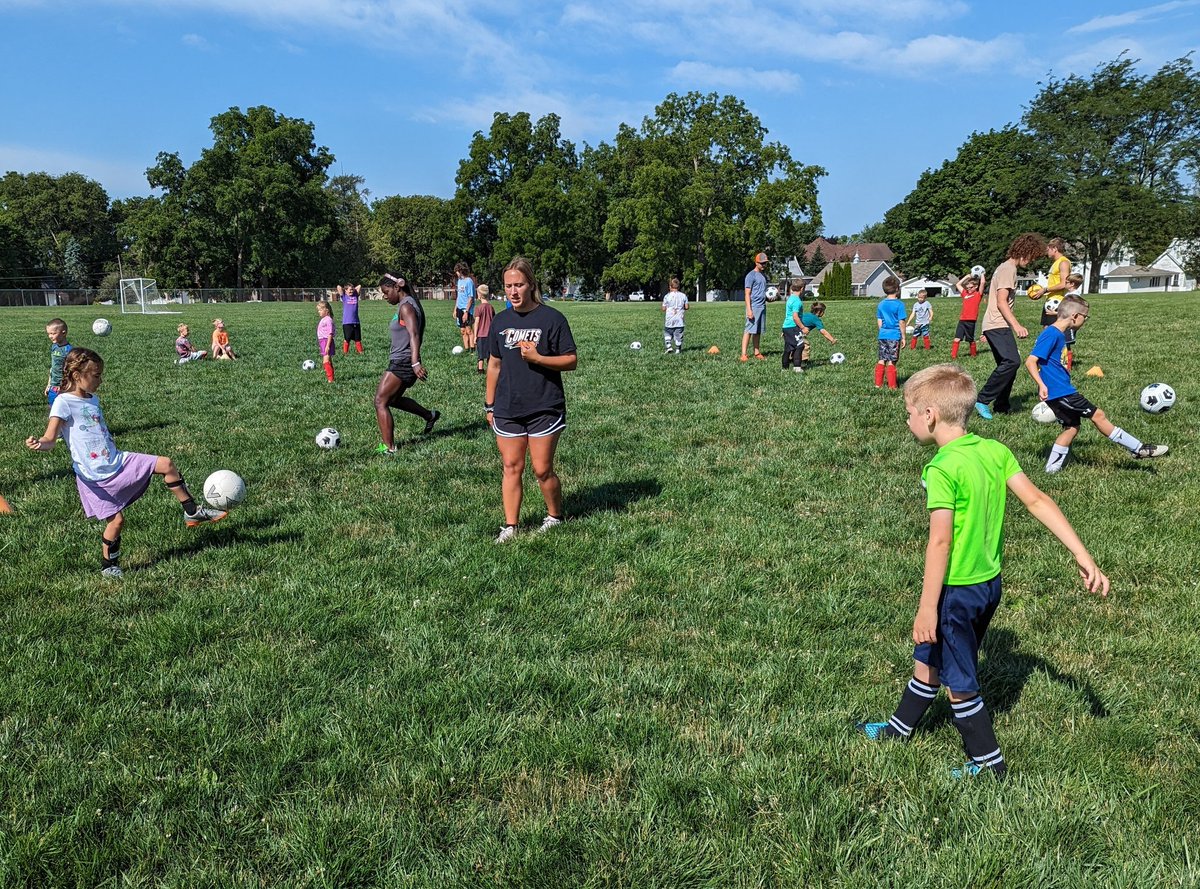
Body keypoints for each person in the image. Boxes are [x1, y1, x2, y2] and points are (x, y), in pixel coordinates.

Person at [858, 363, 1109, 779]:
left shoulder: (941, 468)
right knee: (928, 663)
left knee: (959, 683)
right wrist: (1081, 553)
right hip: (987, 585)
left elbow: (940, 542)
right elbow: (1037, 501)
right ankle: (898, 730)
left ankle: (988, 765)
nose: (907, 420)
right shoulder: (994, 451)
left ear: (929, 415)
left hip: (955, 592)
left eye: (908, 412)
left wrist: (926, 608)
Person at [24, 348, 226, 578]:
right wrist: (40, 444)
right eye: (96, 375)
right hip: (94, 476)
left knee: (166, 464)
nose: (100, 380)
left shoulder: (93, 399)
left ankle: (192, 512)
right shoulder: (63, 402)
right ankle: (109, 566)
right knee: (117, 521)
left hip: (118, 460)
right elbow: (51, 438)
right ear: (78, 375)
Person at [486, 257, 578, 543]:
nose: (513, 291)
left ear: (531, 285)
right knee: (512, 466)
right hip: (507, 407)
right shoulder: (500, 321)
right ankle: (510, 526)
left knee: (542, 469)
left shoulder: (552, 319)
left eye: (519, 285)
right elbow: (494, 365)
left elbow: (571, 360)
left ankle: (554, 516)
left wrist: (539, 358)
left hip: (544, 405)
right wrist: (489, 404)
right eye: (508, 286)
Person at [1025, 295, 1167, 472]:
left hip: (1060, 391)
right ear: (1075, 316)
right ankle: (1139, 449)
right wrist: (1042, 384)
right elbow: (1031, 361)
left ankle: (1050, 470)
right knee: (1098, 415)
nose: (1085, 320)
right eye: (1085, 316)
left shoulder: (1057, 334)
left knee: (1071, 428)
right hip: (1061, 392)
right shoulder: (1052, 334)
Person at [975, 233, 1046, 419]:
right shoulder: (1008, 270)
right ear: (1025, 252)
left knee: (1007, 365)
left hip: (994, 324)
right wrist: (1016, 325)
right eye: (1032, 257)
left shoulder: (1003, 267)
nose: (1030, 262)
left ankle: (1002, 406)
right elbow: (1001, 302)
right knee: (1012, 362)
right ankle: (982, 399)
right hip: (998, 323)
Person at [374, 274, 439, 454]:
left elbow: (414, 335)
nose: (385, 296)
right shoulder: (406, 304)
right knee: (393, 399)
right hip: (402, 360)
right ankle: (429, 415)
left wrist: (415, 362)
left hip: (404, 362)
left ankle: (389, 448)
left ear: (397, 287)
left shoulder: (407, 307)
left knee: (380, 401)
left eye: (386, 292)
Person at [875, 276, 906, 389]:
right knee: (892, 361)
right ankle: (892, 386)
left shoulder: (881, 304)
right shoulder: (899, 305)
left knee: (882, 359)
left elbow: (879, 319)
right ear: (897, 288)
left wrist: (882, 331)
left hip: (882, 334)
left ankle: (878, 384)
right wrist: (903, 336)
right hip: (894, 335)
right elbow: (901, 322)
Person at [740, 252, 770, 362]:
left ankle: (757, 352)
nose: (763, 265)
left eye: (765, 263)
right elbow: (747, 293)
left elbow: (761, 292)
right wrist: (749, 310)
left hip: (762, 306)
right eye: (761, 263)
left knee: (757, 331)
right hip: (754, 306)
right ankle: (744, 354)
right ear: (756, 262)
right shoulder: (751, 275)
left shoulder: (763, 276)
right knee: (749, 330)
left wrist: (768, 299)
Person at [951, 271, 985, 359]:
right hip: (962, 321)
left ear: (976, 287)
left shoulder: (978, 294)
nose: (968, 289)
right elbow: (958, 284)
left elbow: (983, 282)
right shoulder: (965, 293)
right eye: (967, 287)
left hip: (971, 321)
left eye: (971, 287)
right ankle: (953, 356)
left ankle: (973, 355)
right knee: (957, 339)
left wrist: (982, 274)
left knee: (970, 340)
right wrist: (966, 277)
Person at [1041, 238, 1073, 330]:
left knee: (1054, 331)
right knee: (1046, 330)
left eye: (1048, 249)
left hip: (1057, 301)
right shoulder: (1056, 263)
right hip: (1050, 300)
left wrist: (1045, 289)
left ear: (1054, 248)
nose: (1047, 252)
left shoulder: (1063, 262)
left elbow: (1064, 284)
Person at [799, 302, 838, 367]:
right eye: (823, 311)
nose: (824, 313)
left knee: (794, 346)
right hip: (800, 334)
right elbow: (823, 331)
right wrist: (832, 339)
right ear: (819, 311)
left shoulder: (806, 314)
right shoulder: (816, 319)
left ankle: (791, 359)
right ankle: (803, 362)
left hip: (791, 331)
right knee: (805, 346)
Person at [781, 279, 807, 371]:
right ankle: (797, 367)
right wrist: (803, 327)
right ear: (802, 289)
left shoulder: (790, 299)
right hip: (793, 327)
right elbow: (795, 317)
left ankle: (784, 368)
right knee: (799, 346)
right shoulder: (797, 301)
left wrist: (784, 330)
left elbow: (788, 315)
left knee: (788, 347)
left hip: (786, 326)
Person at [44, 318, 72, 405]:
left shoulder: (69, 350)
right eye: (49, 334)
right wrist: (49, 384)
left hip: (63, 387)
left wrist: (65, 385)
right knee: (54, 411)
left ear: (63, 333)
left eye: (53, 333)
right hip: (53, 386)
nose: (50, 336)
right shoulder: (54, 347)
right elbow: (53, 367)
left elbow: (71, 370)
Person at [662, 277, 688, 354]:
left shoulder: (667, 296)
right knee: (678, 335)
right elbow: (686, 307)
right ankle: (678, 350)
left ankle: (669, 346)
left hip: (670, 318)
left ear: (670, 286)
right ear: (678, 287)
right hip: (679, 319)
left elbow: (663, 308)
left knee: (668, 332)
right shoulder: (683, 296)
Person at [454, 261, 476, 353]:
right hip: (459, 308)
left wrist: (466, 312)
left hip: (467, 309)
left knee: (468, 330)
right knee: (463, 330)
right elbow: (459, 296)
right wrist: (455, 309)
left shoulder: (469, 281)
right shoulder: (459, 281)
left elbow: (470, 298)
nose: (456, 273)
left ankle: (472, 350)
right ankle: (466, 350)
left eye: (457, 271)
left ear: (460, 270)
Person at [474, 284, 496, 374]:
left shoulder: (478, 308)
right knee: (489, 354)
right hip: (490, 335)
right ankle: (490, 369)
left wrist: (475, 336)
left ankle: (480, 369)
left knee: (481, 354)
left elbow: (477, 323)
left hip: (481, 334)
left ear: (479, 294)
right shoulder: (491, 307)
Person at [316, 300, 336, 382]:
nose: (319, 312)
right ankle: (332, 377)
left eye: (320, 310)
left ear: (326, 310)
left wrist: (327, 345)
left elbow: (330, 333)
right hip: (323, 342)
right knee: (328, 360)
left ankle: (330, 380)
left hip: (326, 341)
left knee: (326, 361)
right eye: (318, 310)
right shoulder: (324, 319)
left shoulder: (328, 320)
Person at [342, 282, 363, 354]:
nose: (351, 291)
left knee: (358, 338)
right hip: (347, 322)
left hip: (356, 321)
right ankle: (345, 353)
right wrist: (344, 290)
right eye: (349, 290)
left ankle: (360, 352)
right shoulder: (344, 297)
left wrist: (353, 289)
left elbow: (359, 286)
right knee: (347, 338)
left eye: (352, 290)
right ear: (346, 290)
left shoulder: (355, 296)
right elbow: (338, 287)